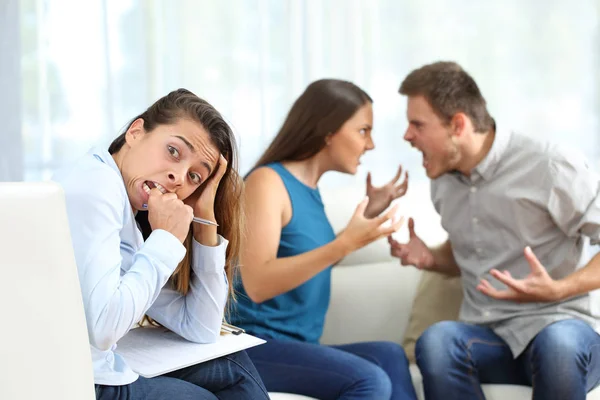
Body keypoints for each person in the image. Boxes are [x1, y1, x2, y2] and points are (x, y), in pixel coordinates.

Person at [389, 61, 600, 400]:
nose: (407, 135)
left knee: (558, 346)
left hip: (560, 329)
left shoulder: (549, 165)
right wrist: (431, 257)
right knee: (438, 341)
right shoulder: (443, 182)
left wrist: (559, 289)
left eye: (417, 124)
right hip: (488, 338)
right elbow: (471, 254)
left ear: (458, 124)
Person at [53, 89, 269, 400]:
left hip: (89, 367)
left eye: (195, 176)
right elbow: (103, 329)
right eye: (173, 151)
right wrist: (166, 239)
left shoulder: (127, 210)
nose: (178, 177)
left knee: (233, 365)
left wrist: (204, 217)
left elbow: (200, 328)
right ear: (135, 132)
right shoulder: (97, 189)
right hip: (79, 381)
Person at [231, 79, 418, 400]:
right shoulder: (267, 182)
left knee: (389, 355)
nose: (370, 144)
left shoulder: (311, 192)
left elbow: (312, 259)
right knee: (369, 379)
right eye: (363, 130)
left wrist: (369, 212)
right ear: (328, 131)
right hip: (254, 344)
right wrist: (344, 243)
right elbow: (258, 283)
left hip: (296, 345)